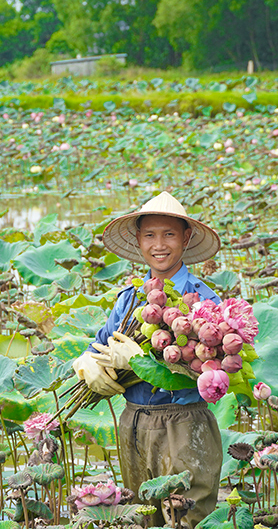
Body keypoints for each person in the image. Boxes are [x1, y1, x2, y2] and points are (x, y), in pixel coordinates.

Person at [72, 191, 223, 528]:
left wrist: (140, 361)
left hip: (184, 424)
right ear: (138, 240)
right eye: (150, 235)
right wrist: (87, 364)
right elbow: (98, 345)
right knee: (140, 519)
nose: (160, 244)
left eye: (169, 234)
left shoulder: (205, 304)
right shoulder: (128, 300)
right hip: (134, 423)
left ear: (185, 239)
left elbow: (203, 374)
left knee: (186, 519)